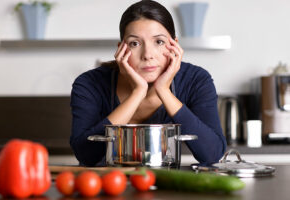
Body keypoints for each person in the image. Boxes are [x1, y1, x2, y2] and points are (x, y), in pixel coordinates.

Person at [70, 0, 226, 167]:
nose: (147, 55)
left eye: (159, 41)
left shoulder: (196, 80)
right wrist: (138, 93)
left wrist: (164, 91)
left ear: (175, 45)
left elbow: (212, 154)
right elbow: (86, 155)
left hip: (169, 187)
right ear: (121, 49)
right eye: (135, 43)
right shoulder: (88, 84)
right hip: (112, 185)